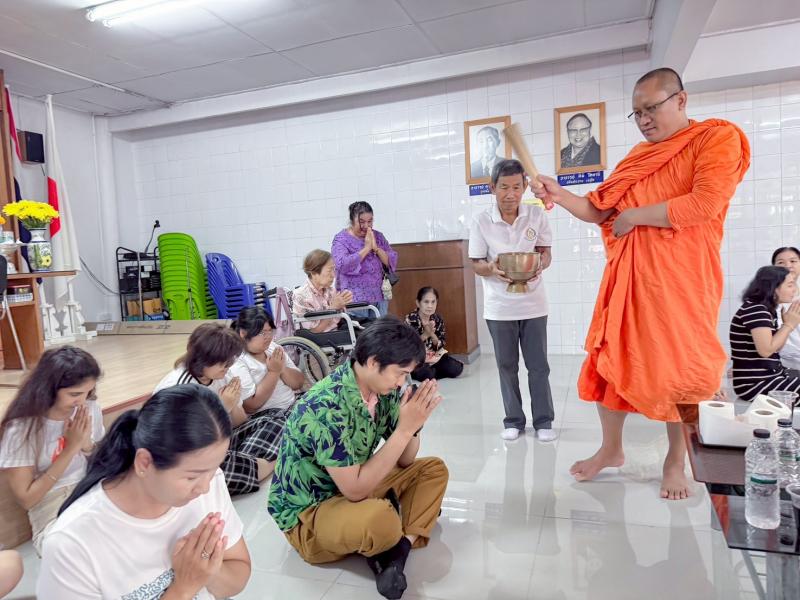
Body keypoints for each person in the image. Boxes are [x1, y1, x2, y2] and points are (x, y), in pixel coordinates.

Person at [532, 67, 751, 499]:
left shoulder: (715, 138)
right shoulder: (638, 157)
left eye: (652, 109)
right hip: (629, 280)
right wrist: (559, 194)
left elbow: (705, 203)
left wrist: (634, 216)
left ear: (681, 100)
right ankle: (611, 449)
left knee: (681, 372)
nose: (645, 120)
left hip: (683, 281)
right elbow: (599, 208)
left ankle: (675, 460)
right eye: (637, 113)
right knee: (609, 360)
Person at [268, 317, 448, 600]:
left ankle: (397, 552)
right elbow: (354, 490)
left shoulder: (383, 390)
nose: (402, 382)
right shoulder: (325, 405)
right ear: (374, 362)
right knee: (381, 519)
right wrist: (403, 430)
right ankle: (397, 528)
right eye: (400, 373)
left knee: (433, 470)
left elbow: (406, 460)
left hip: (352, 485)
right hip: (312, 513)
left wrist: (413, 426)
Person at [37, 386, 251, 599]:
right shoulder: (71, 544)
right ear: (144, 463)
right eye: (191, 477)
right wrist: (184, 588)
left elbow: (238, 574)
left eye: (213, 469)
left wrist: (208, 570)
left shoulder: (209, 483)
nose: (205, 487)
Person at [469, 158, 557, 443]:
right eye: (504, 187)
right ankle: (513, 421)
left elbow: (545, 252)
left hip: (534, 304)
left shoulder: (536, 215)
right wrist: (491, 268)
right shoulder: (481, 220)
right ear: (492, 187)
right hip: (499, 308)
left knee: (538, 366)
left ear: (525, 187)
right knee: (506, 367)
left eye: (517, 187)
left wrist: (540, 264)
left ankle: (543, 420)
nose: (511, 194)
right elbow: (476, 263)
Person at [154, 323, 285, 494]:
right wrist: (222, 408)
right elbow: (186, 443)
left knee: (277, 417)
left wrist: (233, 404)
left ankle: (248, 466)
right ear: (203, 359)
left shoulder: (223, 375)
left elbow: (241, 423)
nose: (228, 367)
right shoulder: (179, 387)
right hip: (184, 455)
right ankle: (267, 463)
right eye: (224, 362)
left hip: (220, 444)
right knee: (211, 472)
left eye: (230, 361)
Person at [0, 346, 104, 555]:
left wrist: (86, 445)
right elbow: (27, 499)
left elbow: (102, 462)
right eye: (74, 394)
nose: (82, 401)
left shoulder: (89, 407)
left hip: (90, 489)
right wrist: (70, 449)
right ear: (48, 389)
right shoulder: (22, 428)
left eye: (88, 392)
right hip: (51, 503)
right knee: (76, 549)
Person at [730, 266, 800, 400]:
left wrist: (786, 326)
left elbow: (776, 349)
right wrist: (788, 325)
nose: (795, 290)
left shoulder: (765, 309)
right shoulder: (756, 310)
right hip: (755, 384)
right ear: (773, 288)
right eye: (790, 285)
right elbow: (766, 351)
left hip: (771, 377)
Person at [229, 306, 304, 416]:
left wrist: (282, 368)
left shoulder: (273, 348)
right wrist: (273, 372)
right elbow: (250, 406)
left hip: (293, 405)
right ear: (243, 333)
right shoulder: (238, 360)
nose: (268, 337)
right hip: (270, 416)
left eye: (270, 331)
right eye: (261, 333)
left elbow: (299, 383)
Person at [331, 201, 398, 316]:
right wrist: (367, 248)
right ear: (352, 221)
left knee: (381, 327)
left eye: (370, 221)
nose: (366, 226)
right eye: (361, 222)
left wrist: (376, 248)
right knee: (358, 328)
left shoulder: (378, 236)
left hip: (379, 297)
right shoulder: (341, 239)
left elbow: (391, 261)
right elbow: (342, 265)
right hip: (353, 299)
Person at [404, 287, 464, 381]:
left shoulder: (437, 319)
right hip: (417, 359)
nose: (430, 306)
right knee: (427, 374)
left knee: (457, 369)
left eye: (433, 302)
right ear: (418, 303)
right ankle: (428, 372)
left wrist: (432, 335)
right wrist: (425, 335)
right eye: (426, 302)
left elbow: (442, 342)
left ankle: (433, 371)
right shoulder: (410, 319)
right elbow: (408, 346)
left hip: (434, 357)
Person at [773, 246, 800, 370]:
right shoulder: (766, 300)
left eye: (793, 261)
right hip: (780, 363)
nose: (788, 266)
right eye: (780, 262)